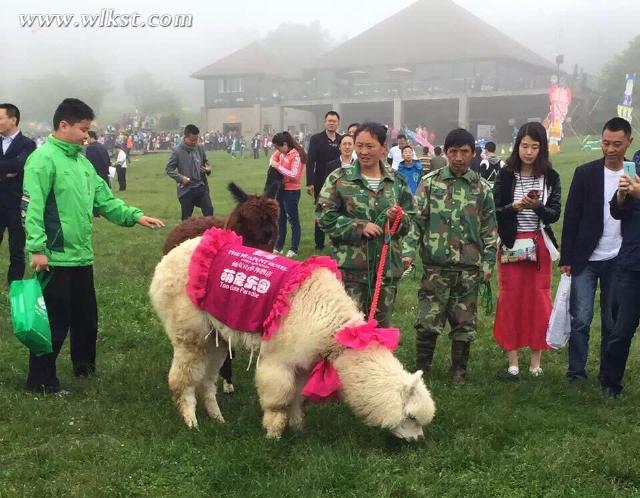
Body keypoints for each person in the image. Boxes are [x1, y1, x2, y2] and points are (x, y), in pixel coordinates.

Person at [23, 98, 164, 394]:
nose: (86, 136)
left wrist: (136, 216)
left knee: (86, 318)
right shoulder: (42, 159)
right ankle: (42, 380)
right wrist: (38, 249)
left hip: (81, 256)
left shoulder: (83, 163)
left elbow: (106, 202)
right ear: (63, 125)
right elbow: (32, 208)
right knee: (53, 322)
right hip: (56, 257)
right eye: (82, 129)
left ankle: (84, 367)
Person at [404, 128, 497, 384]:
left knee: (464, 324)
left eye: (464, 152)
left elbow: (490, 230)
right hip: (436, 267)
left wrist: (488, 263)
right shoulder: (431, 183)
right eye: (453, 151)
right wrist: (408, 253)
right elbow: (416, 222)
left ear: (473, 153)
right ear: (445, 153)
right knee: (427, 321)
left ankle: (459, 371)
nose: (458, 157)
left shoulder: (482, 189)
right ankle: (423, 368)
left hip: (468, 269)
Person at [316, 122, 416, 327]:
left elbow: (411, 219)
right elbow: (324, 217)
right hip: (351, 270)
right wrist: (359, 227)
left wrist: (397, 218)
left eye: (369, 146)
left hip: (385, 270)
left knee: (380, 329)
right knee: (347, 329)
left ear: (383, 147)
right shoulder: (339, 179)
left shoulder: (397, 181)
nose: (363, 151)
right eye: (359, 145)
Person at [561, 117, 633, 383]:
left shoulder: (633, 176)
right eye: (606, 143)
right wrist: (566, 257)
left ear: (629, 142)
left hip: (620, 257)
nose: (611, 149)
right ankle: (576, 372)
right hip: (586, 257)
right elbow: (572, 216)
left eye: (617, 144)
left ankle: (608, 374)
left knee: (612, 323)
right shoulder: (585, 173)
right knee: (580, 319)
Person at [492, 122, 561, 377]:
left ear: (542, 148)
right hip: (511, 244)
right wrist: (515, 207)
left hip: (538, 245)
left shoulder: (550, 177)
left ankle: (535, 359)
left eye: (534, 146)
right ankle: (512, 359)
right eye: (524, 146)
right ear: (517, 145)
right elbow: (494, 211)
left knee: (538, 300)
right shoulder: (506, 175)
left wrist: (537, 207)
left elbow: (554, 214)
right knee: (510, 299)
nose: (529, 152)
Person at [600, 161, 640, 398]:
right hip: (632, 263)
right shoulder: (636, 163)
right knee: (620, 330)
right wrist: (623, 195)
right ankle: (610, 382)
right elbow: (618, 211)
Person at [0, 103, 36, 283]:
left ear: (13, 120)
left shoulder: (27, 144)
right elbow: (12, 166)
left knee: (17, 249)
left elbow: (19, 165)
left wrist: (12, 168)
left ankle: (14, 285)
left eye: (0, 118)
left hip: (16, 204)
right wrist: (8, 171)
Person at [306, 111, 342, 250]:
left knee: (339, 210)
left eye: (334, 121)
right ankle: (319, 243)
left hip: (339, 181)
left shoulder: (341, 139)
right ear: (325, 122)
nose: (332, 123)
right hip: (320, 180)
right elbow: (310, 162)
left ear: (338, 123)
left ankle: (337, 241)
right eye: (329, 121)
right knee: (321, 211)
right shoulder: (316, 139)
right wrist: (310, 183)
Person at [166, 124, 213, 220]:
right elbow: (169, 169)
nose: (195, 142)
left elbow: (206, 162)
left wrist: (208, 169)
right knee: (186, 218)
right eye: (192, 140)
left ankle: (209, 234)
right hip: (186, 189)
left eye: (197, 139)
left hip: (201, 186)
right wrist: (181, 178)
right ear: (185, 137)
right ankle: (185, 235)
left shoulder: (200, 148)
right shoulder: (177, 151)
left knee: (209, 211)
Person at [270, 132, 305, 258]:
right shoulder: (282, 153)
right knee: (281, 219)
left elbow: (294, 175)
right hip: (282, 189)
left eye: (278, 147)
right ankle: (279, 246)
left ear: (285, 144)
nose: (277, 150)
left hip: (292, 191)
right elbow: (272, 160)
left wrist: (278, 166)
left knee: (293, 220)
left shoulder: (296, 155)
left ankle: (294, 248)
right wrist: (275, 163)